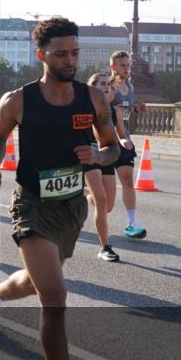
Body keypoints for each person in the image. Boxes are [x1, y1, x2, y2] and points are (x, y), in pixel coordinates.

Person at [0, 17, 120, 360]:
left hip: (71, 208)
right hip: (32, 206)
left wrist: (96, 154)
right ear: (42, 55)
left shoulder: (93, 98)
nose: (70, 60)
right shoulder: (19, 100)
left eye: (75, 53)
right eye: (61, 54)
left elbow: (112, 146)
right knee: (55, 297)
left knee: (40, 282)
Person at [84, 73, 124, 262]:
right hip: (89, 156)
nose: (107, 86)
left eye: (108, 84)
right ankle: (105, 247)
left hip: (106, 156)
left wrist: (123, 140)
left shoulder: (112, 110)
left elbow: (119, 134)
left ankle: (83, 194)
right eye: (102, 84)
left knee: (108, 206)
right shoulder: (81, 107)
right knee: (101, 200)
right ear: (91, 87)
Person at [109, 51, 147, 239]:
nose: (127, 68)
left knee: (127, 181)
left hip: (125, 140)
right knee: (104, 197)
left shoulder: (129, 87)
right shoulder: (107, 87)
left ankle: (132, 224)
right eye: (122, 65)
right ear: (113, 67)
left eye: (128, 65)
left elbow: (125, 111)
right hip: (106, 141)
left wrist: (136, 109)